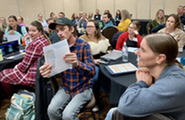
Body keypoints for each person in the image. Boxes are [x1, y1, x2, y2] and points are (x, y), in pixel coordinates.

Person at [105, 33, 185, 120]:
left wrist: (140, 83)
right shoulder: (168, 73)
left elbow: (126, 105)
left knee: (115, 112)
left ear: (160, 58)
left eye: (143, 50)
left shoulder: (173, 84)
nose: (136, 52)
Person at [39, 17, 96, 120]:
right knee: (51, 111)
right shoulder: (57, 48)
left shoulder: (84, 46)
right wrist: (47, 72)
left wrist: (77, 64)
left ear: (71, 29)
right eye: (57, 31)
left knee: (68, 115)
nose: (59, 33)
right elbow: (56, 73)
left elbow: (92, 71)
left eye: (62, 29)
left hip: (83, 88)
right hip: (66, 87)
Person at [0, 21, 50, 100]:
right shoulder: (44, 40)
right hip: (41, 74)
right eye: (29, 30)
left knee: (2, 74)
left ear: (40, 31)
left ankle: (13, 98)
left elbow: (24, 67)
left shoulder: (34, 44)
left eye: (34, 31)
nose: (31, 33)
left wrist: (16, 67)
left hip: (33, 76)